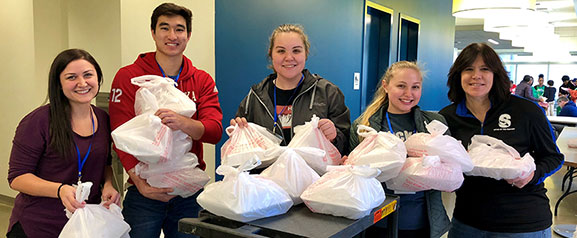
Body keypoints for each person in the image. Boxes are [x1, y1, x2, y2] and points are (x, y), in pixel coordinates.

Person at [108, 3, 223, 238]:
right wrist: (140, 184)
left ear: (188, 35)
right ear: (153, 32)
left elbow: (214, 131)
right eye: (164, 28)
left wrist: (182, 122)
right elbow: (120, 135)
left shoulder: (201, 80)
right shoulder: (129, 77)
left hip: (188, 191)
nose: (172, 36)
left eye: (179, 29)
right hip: (144, 191)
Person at [439, 42, 563, 237]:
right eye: (468, 69)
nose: (476, 76)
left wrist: (533, 174)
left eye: (485, 69)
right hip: (467, 222)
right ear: (458, 75)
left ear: (496, 75)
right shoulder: (447, 117)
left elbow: (554, 157)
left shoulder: (526, 111)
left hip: (522, 222)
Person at [7, 49, 119, 238]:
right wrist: (60, 190)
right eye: (71, 77)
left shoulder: (103, 119)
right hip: (38, 226)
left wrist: (108, 184)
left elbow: (104, 163)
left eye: (88, 75)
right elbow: (17, 178)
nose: (82, 83)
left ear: (98, 78)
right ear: (58, 83)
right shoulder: (39, 121)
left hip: (84, 226)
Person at [351, 61, 450, 238]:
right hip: (377, 220)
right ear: (386, 86)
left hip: (419, 221)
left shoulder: (435, 124)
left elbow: (450, 169)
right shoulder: (364, 126)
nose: (408, 94)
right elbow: (354, 175)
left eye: (415, 87)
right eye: (401, 86)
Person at [231, 24, 350, 156]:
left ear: (306, 53)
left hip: (315, 176)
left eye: (296, 50)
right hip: (266, 176)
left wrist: (334, 136)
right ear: (271, 54)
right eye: (281, 51)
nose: (289, 57)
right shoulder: (255, 96)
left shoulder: (328, 93)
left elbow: (345, 147)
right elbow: (242, 151)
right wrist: (238, 132)